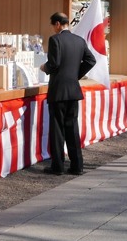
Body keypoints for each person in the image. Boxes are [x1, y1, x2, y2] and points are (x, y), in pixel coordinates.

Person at [41, 12, 96, 175]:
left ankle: (57, 166)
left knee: (57, 129)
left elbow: (54, 63)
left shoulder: (55, 40)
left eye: (53, 25)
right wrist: (76, 74)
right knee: (72, 128)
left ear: (58, 24)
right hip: (73, 90)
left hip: (58, 90)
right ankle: (77, 165)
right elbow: (91, 60)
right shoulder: (79, 40)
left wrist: (45, 67)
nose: (52, 29)